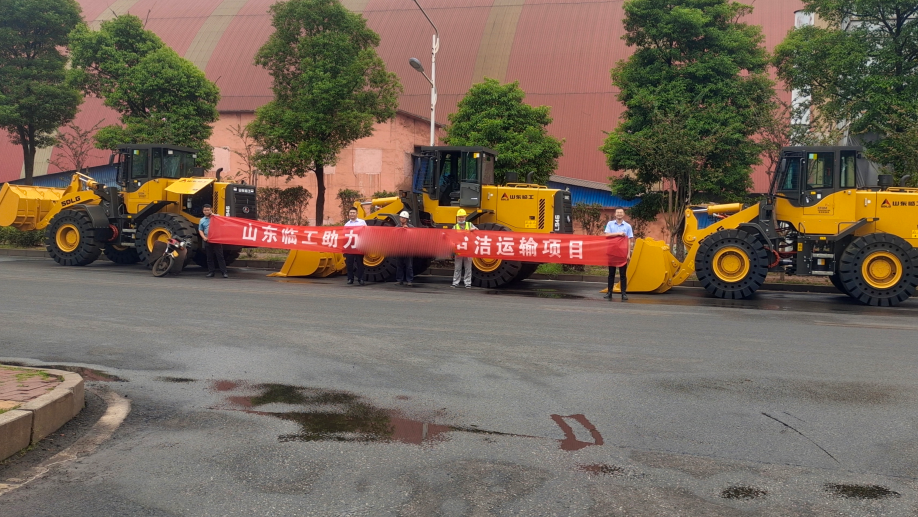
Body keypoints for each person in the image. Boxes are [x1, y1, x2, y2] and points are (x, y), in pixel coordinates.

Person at [603, 207, 633, 300]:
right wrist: (619, 234)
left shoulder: (627, 226)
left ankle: (623, 293)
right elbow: (606, 235)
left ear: (623, 214)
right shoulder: (610, 224)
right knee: (611, 273)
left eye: (621, 212)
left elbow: (629, 240)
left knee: (623, 274)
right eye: (618, 212)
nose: (619, 214)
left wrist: (628, 253)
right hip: (611, 251)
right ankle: (609, 292)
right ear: (615, 214)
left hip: (622, 252)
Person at [198, 204, 228, 278]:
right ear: (203, 211)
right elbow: (200, 230)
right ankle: (211, 272)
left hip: (216, 240)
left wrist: (212, 215)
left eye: (208, 210)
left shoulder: (216, 217)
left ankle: (224, 272)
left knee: (220, 256)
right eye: (205, 210)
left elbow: (222, 221)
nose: (206, 211)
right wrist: (204, 237)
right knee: (209, 257)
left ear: (211, 210)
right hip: (208, 240)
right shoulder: (202, 220)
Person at [451, 209, 477, 288]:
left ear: (465, 217)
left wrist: (474, 229)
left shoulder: (470, 225)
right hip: (459, 250)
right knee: (457, 268)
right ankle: (455, 283)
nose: (461, 219)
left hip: (468, 250)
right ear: (457, 218)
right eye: (459, 217)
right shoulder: (455, 227)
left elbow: (478, 232)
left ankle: (468, 283)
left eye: (462, 217)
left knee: (468, 268)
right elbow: (451, 237)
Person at [343, 207, 367, 286]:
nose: (352, 214)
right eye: (350, 213)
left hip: (359, 246)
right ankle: (350, 279)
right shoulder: (346, 224)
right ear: (349, 214)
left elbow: (366, 232)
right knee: (349, 263)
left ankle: (361, 279)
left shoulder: (362, 222)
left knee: (360, 263)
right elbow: (344, 236)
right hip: (350, 246)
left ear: (357, 213)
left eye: (353, 212)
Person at [394, 211, 414, 286]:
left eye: (404, 218)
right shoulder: (397, 227)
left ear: (407, 219)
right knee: (399, 265)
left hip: (408, 249)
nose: (403, 219)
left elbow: (414, 236)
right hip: (399, 249)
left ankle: (409, 280)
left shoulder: (411, 227)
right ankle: (400, 280)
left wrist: (408, 229)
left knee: (409, 266)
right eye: (402, 217)